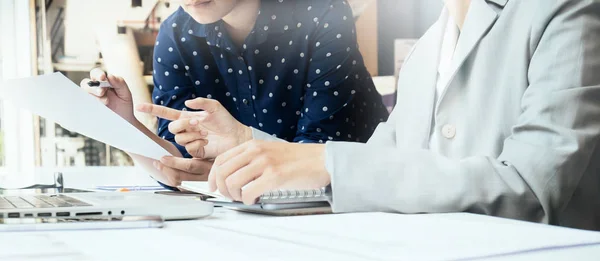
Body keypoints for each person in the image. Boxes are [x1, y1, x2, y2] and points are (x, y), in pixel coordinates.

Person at [206, 0, 600, 231]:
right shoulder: (426, 49)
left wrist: (328, 164)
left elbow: (529, 192)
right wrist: (248, 147)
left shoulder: (565, 11)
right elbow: (370, 168)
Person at [82, 0, 388, 187]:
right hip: (254, 207)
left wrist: (222, 168)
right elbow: (182, 165)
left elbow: (316, 157)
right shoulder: (176, 33)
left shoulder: (322, 12)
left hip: (355, 199)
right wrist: (123, 125)